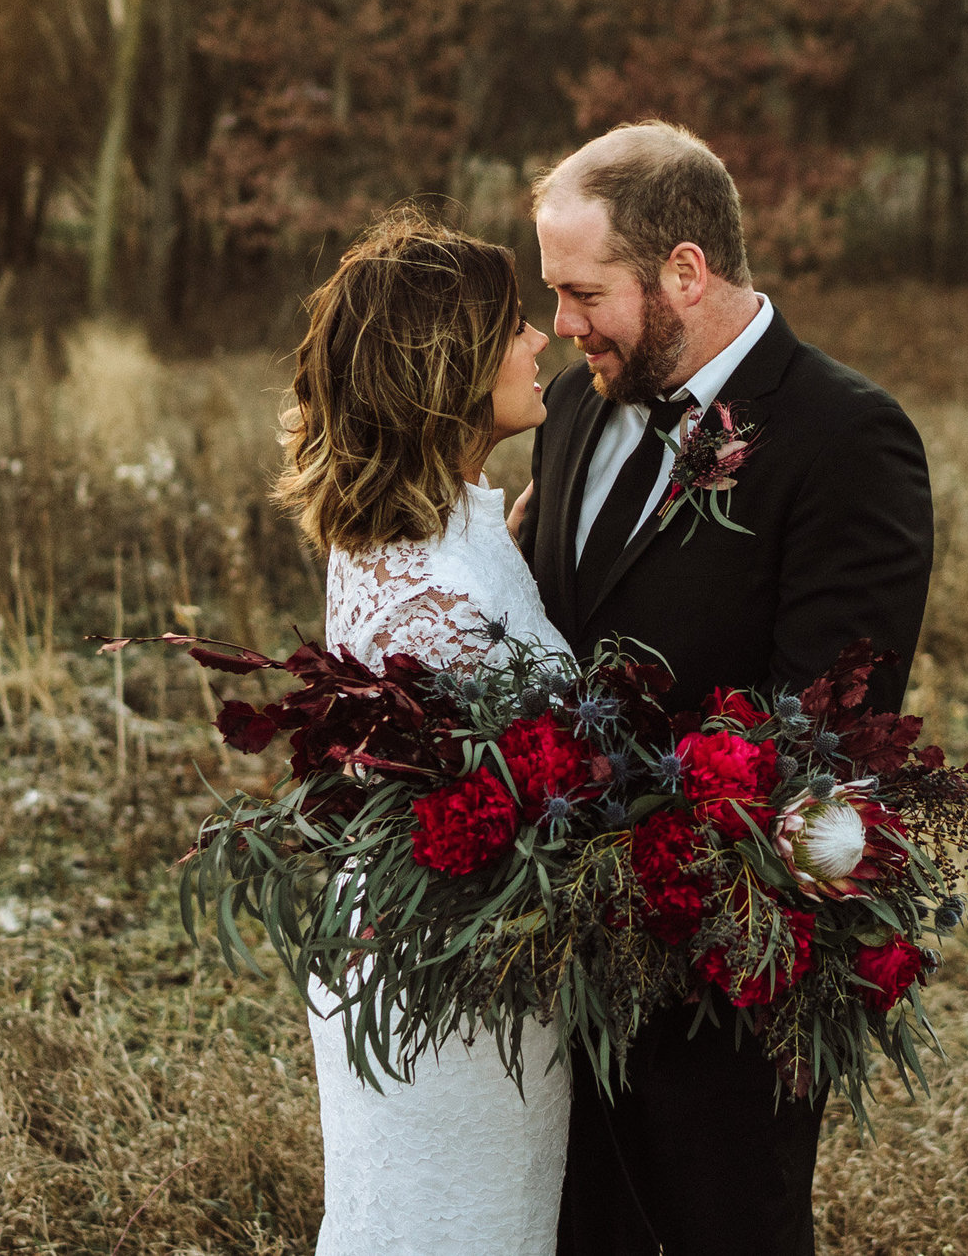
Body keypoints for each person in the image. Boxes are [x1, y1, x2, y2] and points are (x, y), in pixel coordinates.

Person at [516, 121, 936, 1256]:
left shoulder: (844, 436)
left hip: (720, 970)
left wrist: (666, 887)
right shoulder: (568, 411)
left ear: (684, 272)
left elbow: (831, 725)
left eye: (581, 291)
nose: (560, 325)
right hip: (556, 956)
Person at [274, 207, 570, 1256]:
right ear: (445, 363)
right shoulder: (431, 594)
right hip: (446, 977)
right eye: (517, 325)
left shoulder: (435, 525)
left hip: (449, 955)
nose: (543, 340)